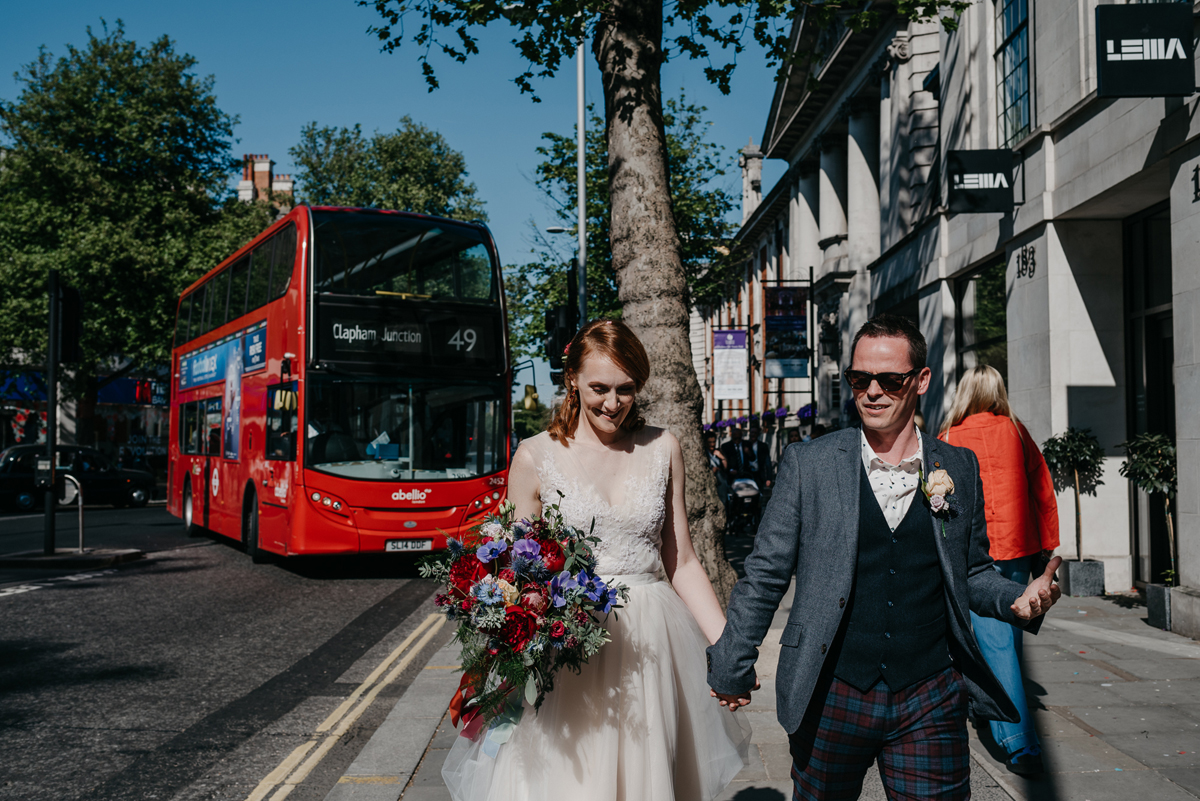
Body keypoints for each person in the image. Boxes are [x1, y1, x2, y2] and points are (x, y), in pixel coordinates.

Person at [707, 313, 1062, 800]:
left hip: (930, 693)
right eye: (859, 378)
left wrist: (1016, 598)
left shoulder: (958, 464)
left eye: (889, 380)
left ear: (920, 381)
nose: (872, 392)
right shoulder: (809, 464)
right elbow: (765, 574)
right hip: (830, 691)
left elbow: (972, 571)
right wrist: (732, 662)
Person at [443, 319, 750, 801]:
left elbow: (682, 561)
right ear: (572, 380)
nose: (613, 403)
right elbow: (517, 571)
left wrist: (729, 649)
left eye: (626, 389)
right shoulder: (534, 456)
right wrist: (496, 657)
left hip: (653, 644)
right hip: (570, 648)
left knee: (647, 778)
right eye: (599, 388)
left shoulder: (663, 447)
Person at [940, 364, 1060, 775]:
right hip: (1018, 547)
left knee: (996, 642)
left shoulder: (949, 437)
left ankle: (1019, 740)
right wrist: (1048, 544)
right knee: (1010, 631)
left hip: (977, 554)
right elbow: (1041, 485)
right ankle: (992, 707)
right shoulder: (1015, 430)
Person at [705, 430, 731, 506]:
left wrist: (722, 457)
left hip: (721, 481)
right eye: (710, 442)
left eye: (713, 442)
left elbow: (726, 468)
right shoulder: (704, 454)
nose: (712, 444)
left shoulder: (718, 451)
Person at [745, 423, 773, 489]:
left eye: (755, 433)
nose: (753, 434)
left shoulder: (763, 446)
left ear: (758, 434)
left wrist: (769, 478)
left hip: (759, 475)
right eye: (752, 432)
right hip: (747, 475)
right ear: (749, 433)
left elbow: (768, 463)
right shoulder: (745, 445)